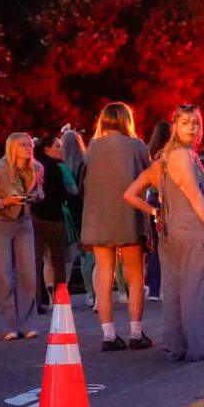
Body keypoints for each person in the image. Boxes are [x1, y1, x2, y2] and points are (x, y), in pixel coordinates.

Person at [123, 105, 204, 361]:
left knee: (177, 290)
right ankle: (200, 348)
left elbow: (130, 194)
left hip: (169, 230)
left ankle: (177, 347)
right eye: (186, 123)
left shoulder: (164, 158)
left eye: (196, 123)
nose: (192, 128)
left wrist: (155, 212)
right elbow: (193, 194)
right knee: (199, 290)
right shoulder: (181, 156)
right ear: (175, 127)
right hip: (193, 229)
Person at [81, 101, 152, 351]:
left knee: (104, 274)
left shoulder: (92, 148)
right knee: (134, 275)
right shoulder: (136, 146)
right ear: (126, 120)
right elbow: (149, 176)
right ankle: (136, 332)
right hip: (128, 214)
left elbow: (83, 183)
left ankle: (108, 335)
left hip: (98, 217)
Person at [0, 133, 43, 340]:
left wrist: (36, 196)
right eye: (23, 145)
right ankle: (6, 327)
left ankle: (27, 324)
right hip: (1, 225)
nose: (28, 148)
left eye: (30, 144)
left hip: (24, 224)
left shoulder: (36, 168)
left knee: (28, 275)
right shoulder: (0, 171)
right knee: (3, 276)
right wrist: (3, 202)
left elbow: (40, 190)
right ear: (12, 148)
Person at [32, 133, 76, 305]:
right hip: (55, 218)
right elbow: (70, 191)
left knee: (39, 260)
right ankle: (60, 298)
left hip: (36, 216)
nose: (61, 149)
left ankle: (37, 299)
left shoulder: (34, 165)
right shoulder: (58, 168)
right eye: (57, 146)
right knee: (59, 261)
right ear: (46, 149)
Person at [60, 128, 94, 308]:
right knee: (88, 255)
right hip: (86, 211)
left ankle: (60, 295)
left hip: (66, 213)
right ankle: (90, 293)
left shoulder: (60, 166)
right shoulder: (86, 164)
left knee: (67, 257)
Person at [143, 121, 172, 302]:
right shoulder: (170, 154)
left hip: (152, 199)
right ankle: (167, 287)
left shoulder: (150, 153)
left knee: (156, 247)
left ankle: (154, 288)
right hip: (167, 200)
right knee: (170, 245)